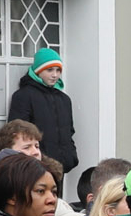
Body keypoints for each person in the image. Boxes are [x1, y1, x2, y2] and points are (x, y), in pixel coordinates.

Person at [7, 42, 79, 175]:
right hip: (34, 168)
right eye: (49, 70)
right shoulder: (23, 96)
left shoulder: (64, 99)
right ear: (38, 71)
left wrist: (70, 156)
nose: (55, 75)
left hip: (60, 167)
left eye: (58, 70)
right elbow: (17, 133)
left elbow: (69, 131)